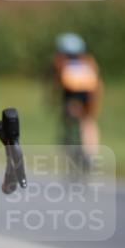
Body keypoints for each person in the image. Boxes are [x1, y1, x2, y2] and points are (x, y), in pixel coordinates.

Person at [51, 32, 102, 161]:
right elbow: (97, 83)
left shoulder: (61, 63)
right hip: (89, 93)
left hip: (71, 93)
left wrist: (52, 98)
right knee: (87, 121)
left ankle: (68, 147)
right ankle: (90, 152)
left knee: (67, 118)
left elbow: (57, 84)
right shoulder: (88, 62)